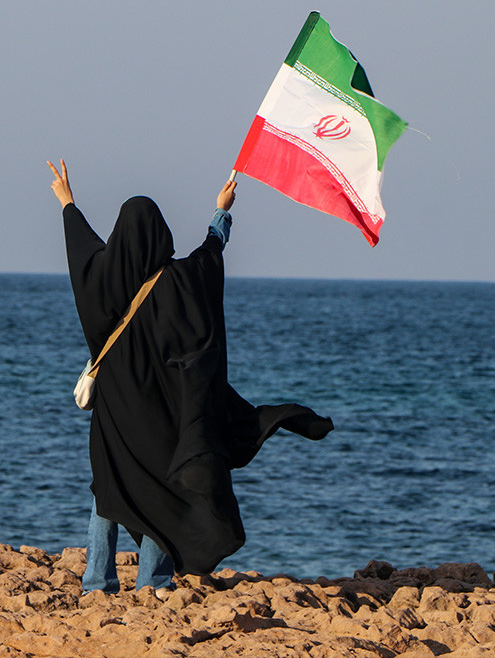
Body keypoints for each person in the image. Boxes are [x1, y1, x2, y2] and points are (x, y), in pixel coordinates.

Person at [47, 159, 333, 593]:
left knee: (107, 488)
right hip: (162, 413)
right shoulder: (180, 282)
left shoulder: (102, 279)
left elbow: (82, 249)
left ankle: (96, 581)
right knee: (164, 493)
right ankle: (153, 582)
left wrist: (68, 203)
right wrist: (222, 210)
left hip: (113, 415)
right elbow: (210, 253)